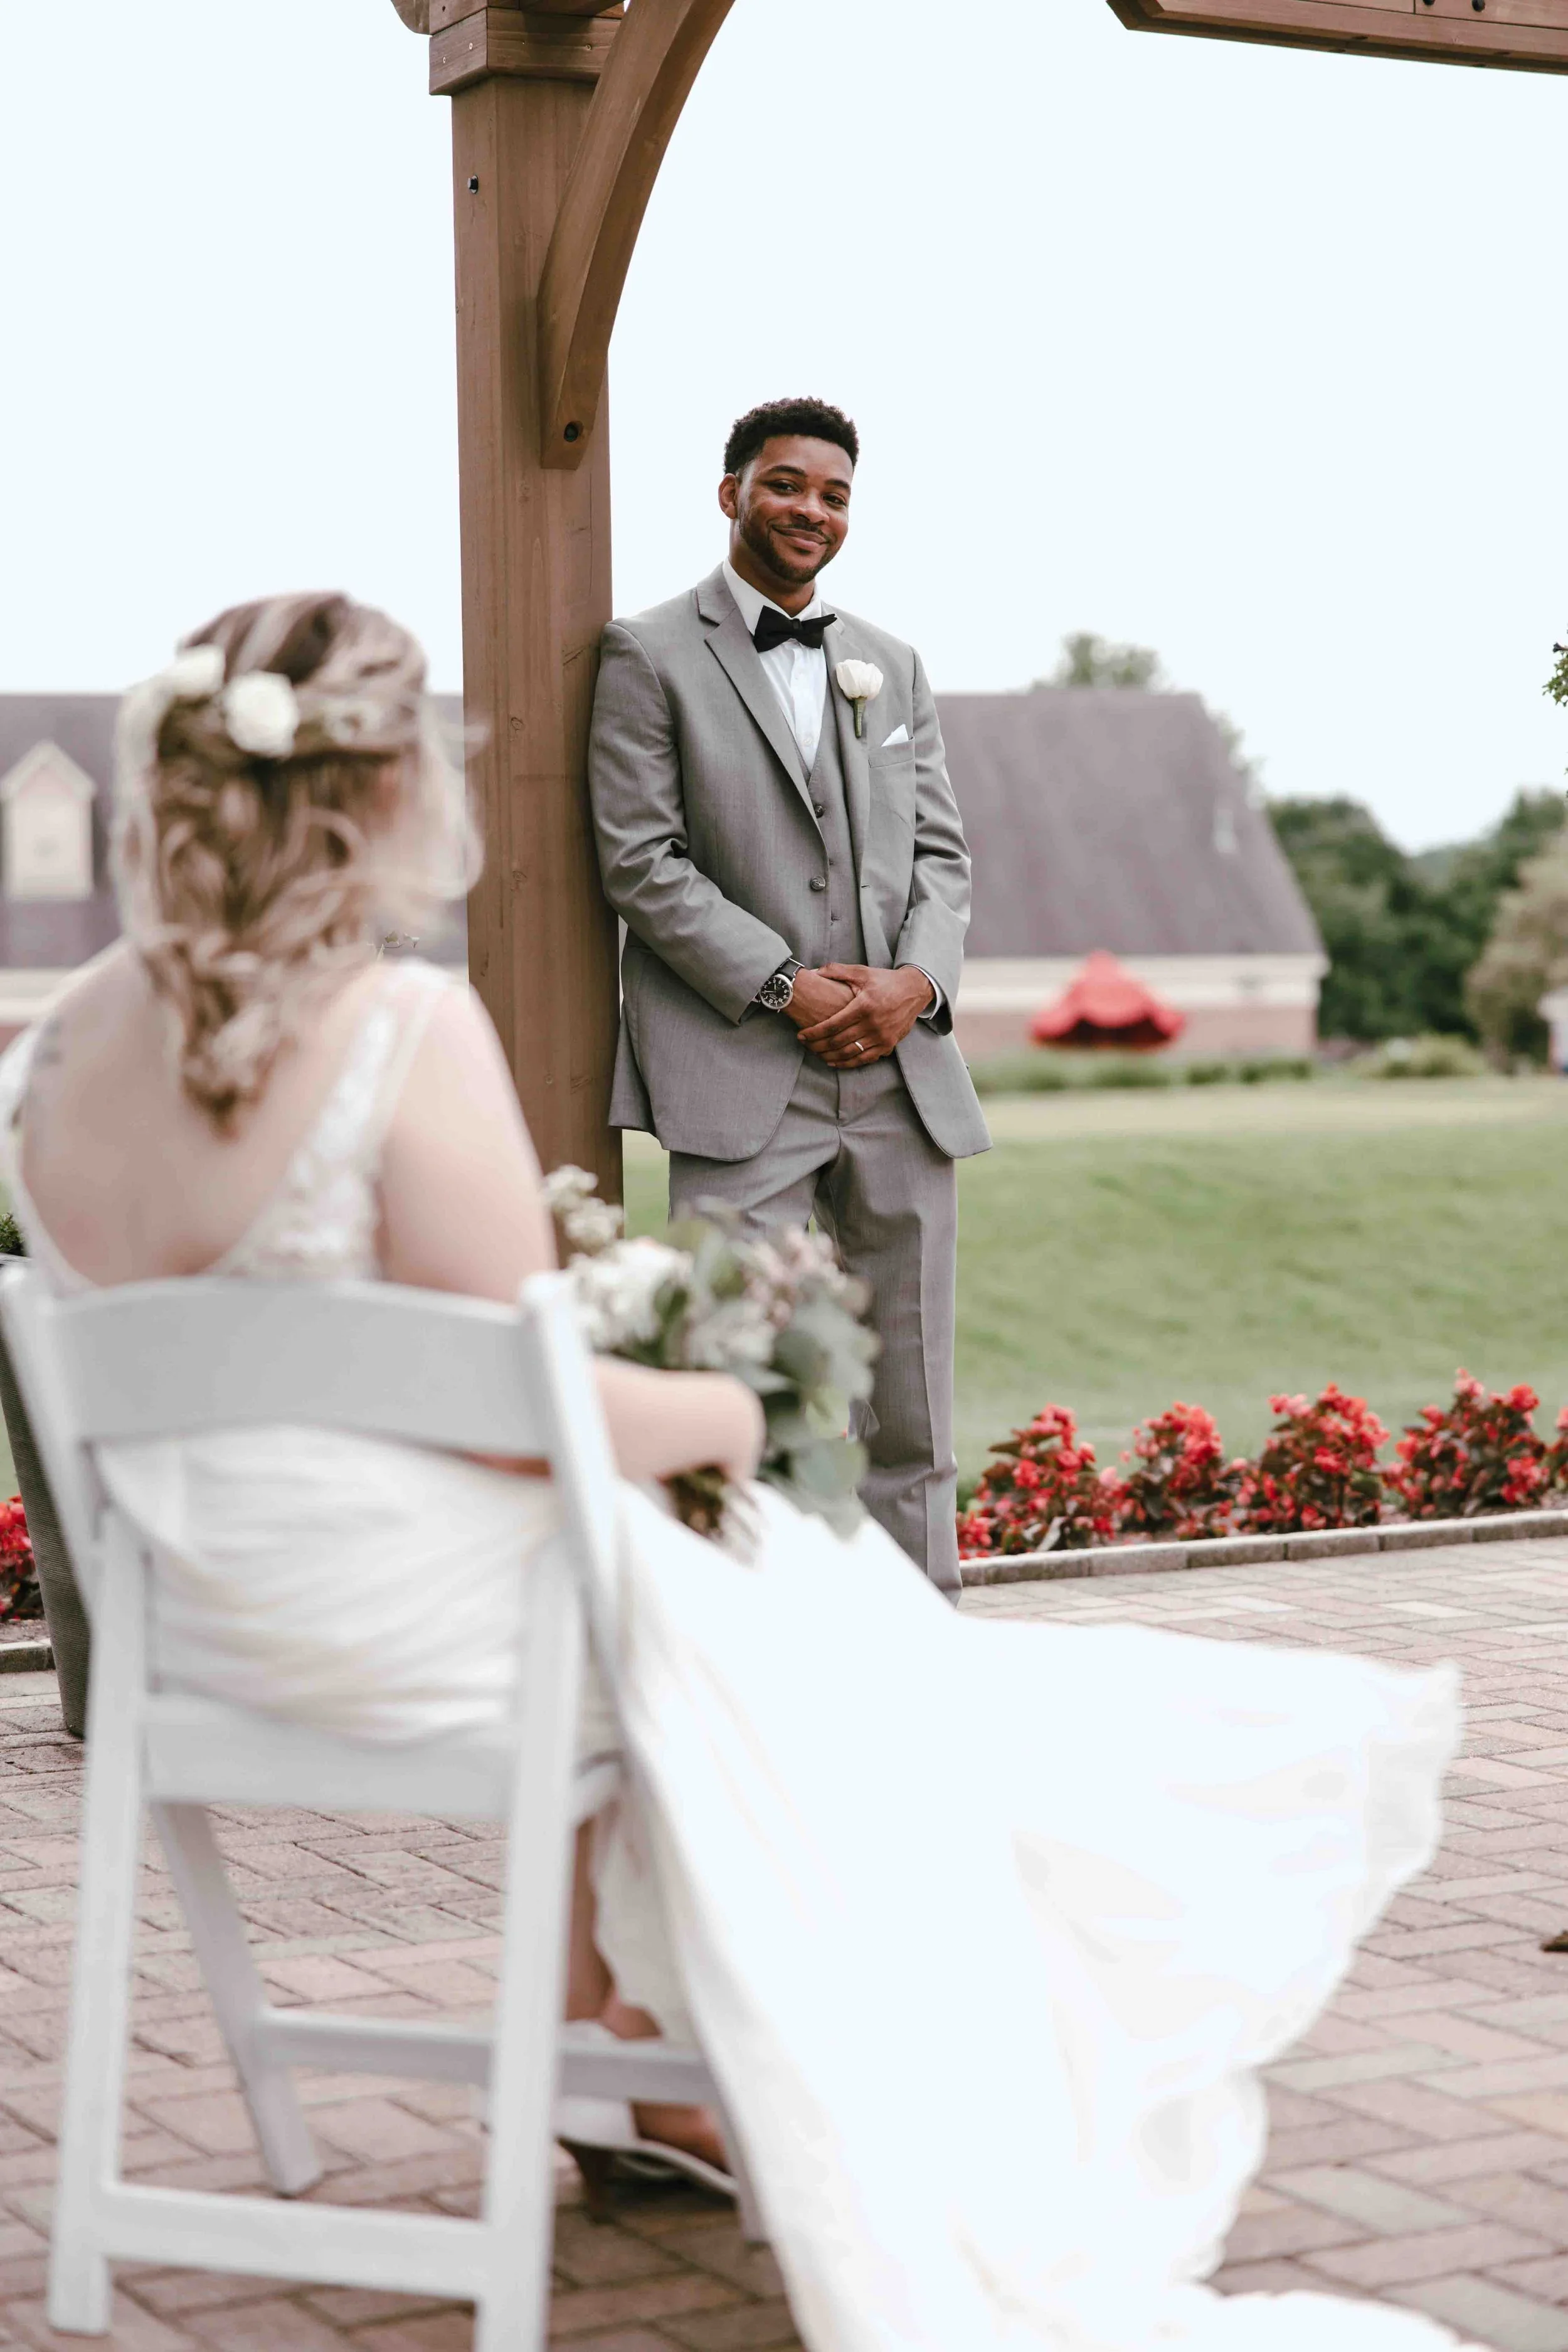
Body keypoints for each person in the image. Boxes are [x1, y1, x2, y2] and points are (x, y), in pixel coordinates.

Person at [0, 593, 1477, 2351]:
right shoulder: (400, 1035)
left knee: (684, 1584)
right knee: (770, 1567)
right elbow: (515, 1407)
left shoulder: (49, 1052)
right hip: (430, 1637)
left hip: (208, 1627)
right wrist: (726, 1413)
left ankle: (618, 2041)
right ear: (385, 788)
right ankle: (796, 2056)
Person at [588, 398, 990, 1600]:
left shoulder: (894, 663)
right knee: (732, 1393)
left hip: (899, 1079)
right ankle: (744, 1662)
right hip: (734, 1076)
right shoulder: (647, 653)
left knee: (912, 1412)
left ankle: (923, 1655)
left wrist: (917, 983)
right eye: (785, 485)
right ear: (730, 495)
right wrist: (783, 982)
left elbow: (944, 861)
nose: (810, 509)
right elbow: (639, 858)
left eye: (833, 494)